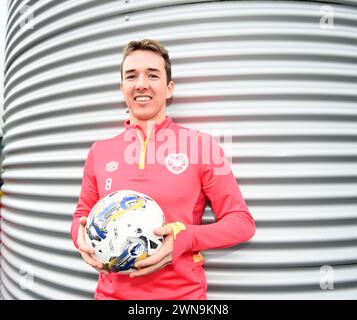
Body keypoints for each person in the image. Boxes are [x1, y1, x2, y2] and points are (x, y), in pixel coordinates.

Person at [70, 39, 256, 300]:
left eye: (152, 75)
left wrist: (186, 237)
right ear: (122, 88)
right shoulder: (99, 152)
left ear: (169, 88)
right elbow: (81, 214)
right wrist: (80, 238)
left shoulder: (202, 146)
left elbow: (242, 223)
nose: (141, 84)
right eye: (131, 76)